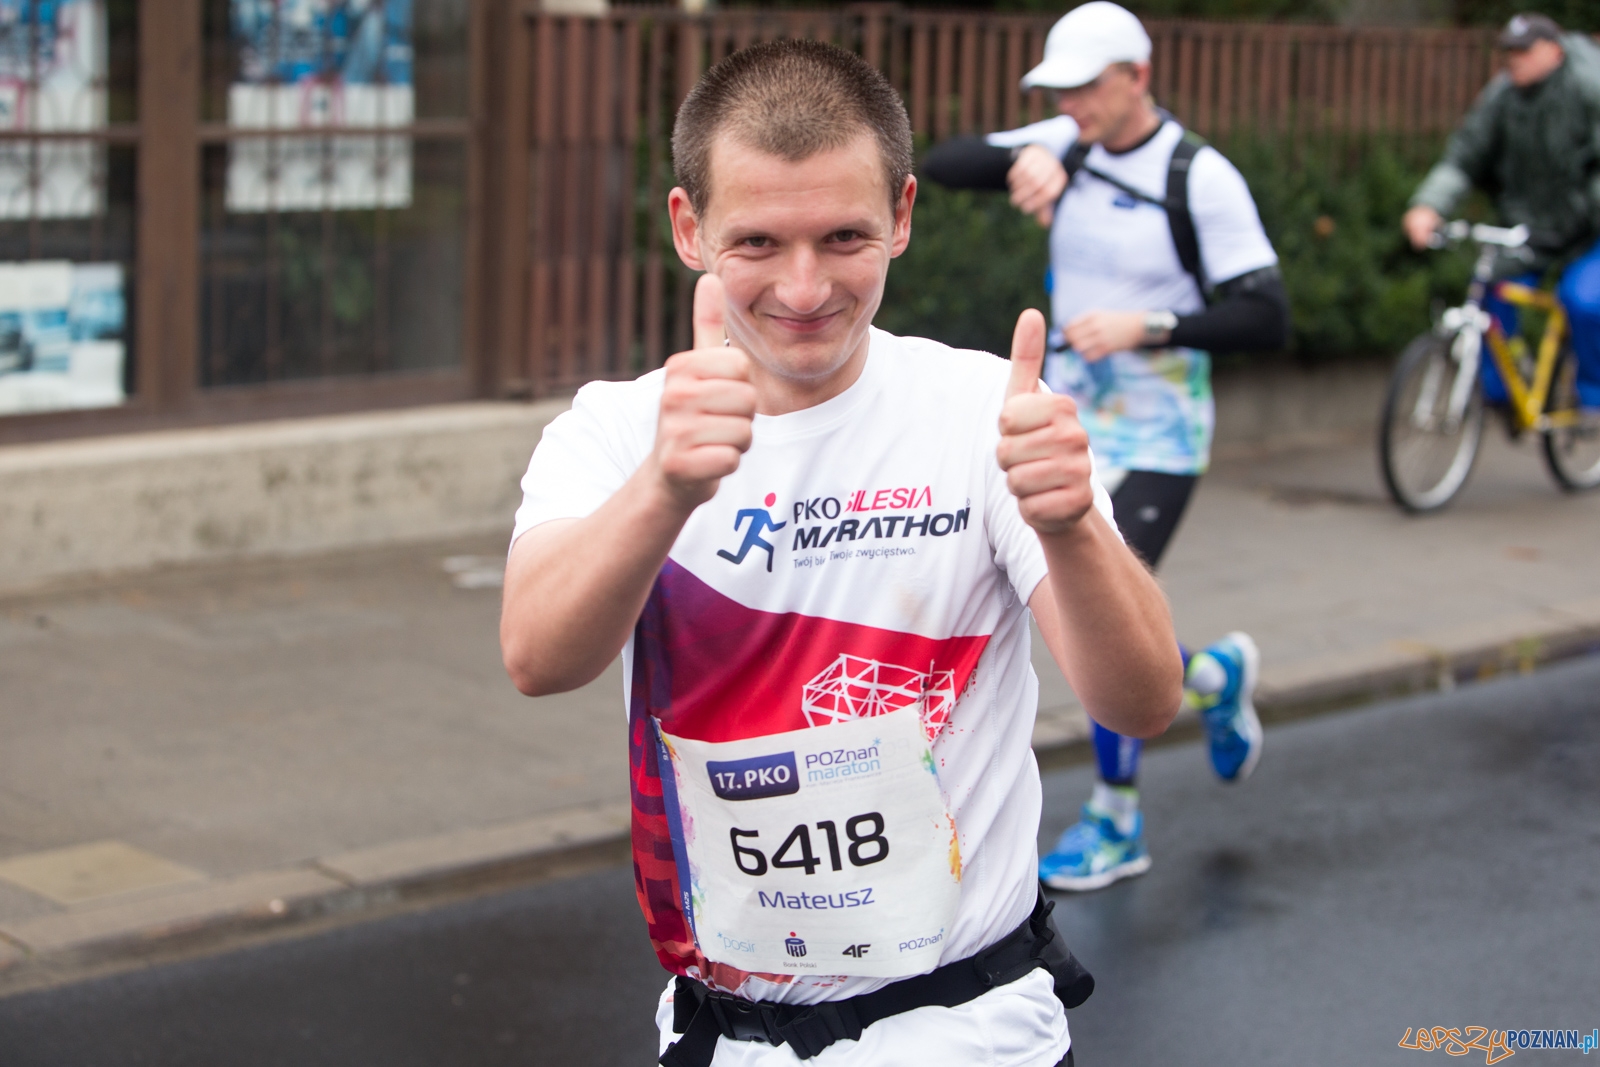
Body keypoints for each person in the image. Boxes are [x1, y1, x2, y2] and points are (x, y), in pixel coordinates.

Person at [501, 38, 1182, 1067]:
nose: (805, 285)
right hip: (723, 1034)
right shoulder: (617, 429)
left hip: (969, 1031)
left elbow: (1143, 701)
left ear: (902, 214)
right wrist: (665, 488)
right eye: (758, 241)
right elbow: (537, 658)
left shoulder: (986, 412)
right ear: (689, 228)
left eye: (843, 236)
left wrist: (1071, 522)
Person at [921, 1, 1288, 893]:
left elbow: (1266, 315)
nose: (1072, 103)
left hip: (1161, 436)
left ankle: (1117, 824)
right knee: (1097, 622)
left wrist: (1147, 325)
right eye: (1060, 91)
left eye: (1087, 87)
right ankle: (1212, 676)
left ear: (1138, 77)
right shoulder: (1066, 140)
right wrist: (1030, 155)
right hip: (1069, 430)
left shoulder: (1200, 176)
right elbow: (940, 165)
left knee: (1098, 620)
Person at [1404, 12, 1600, 415]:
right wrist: (1428, 205)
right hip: (1530, 230)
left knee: (1582, 301)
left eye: (1524, 51)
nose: (1514, 60)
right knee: (1491, 292)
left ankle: (1592, 394)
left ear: (1554, 52)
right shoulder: (1503, 96)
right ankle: (1502, 395)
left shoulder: (1588, 87)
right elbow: (1464, 157)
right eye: (1510, 51)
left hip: (1588, 229)